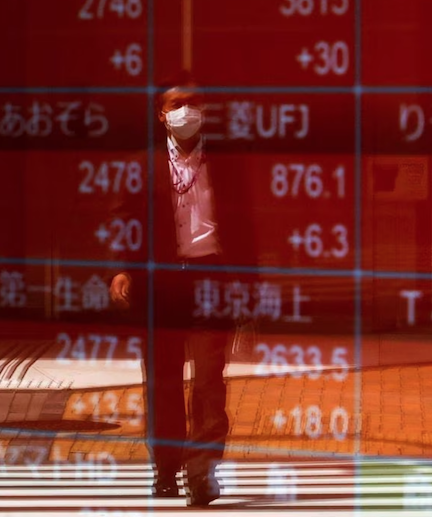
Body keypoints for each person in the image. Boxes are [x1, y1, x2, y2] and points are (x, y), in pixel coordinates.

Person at [109, 78, 249, 506]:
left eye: (192, 103)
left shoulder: (226, 163)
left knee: (209, 382)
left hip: (211, 278)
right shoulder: (141, 164)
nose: (184, 111)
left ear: (203, 109)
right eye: (176, 104)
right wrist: (121, 270)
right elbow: (124, 220)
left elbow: (247, 227)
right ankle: (166, 469)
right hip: (161, 283)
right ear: (161, 113)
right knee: (164, 383)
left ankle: (202, 473)